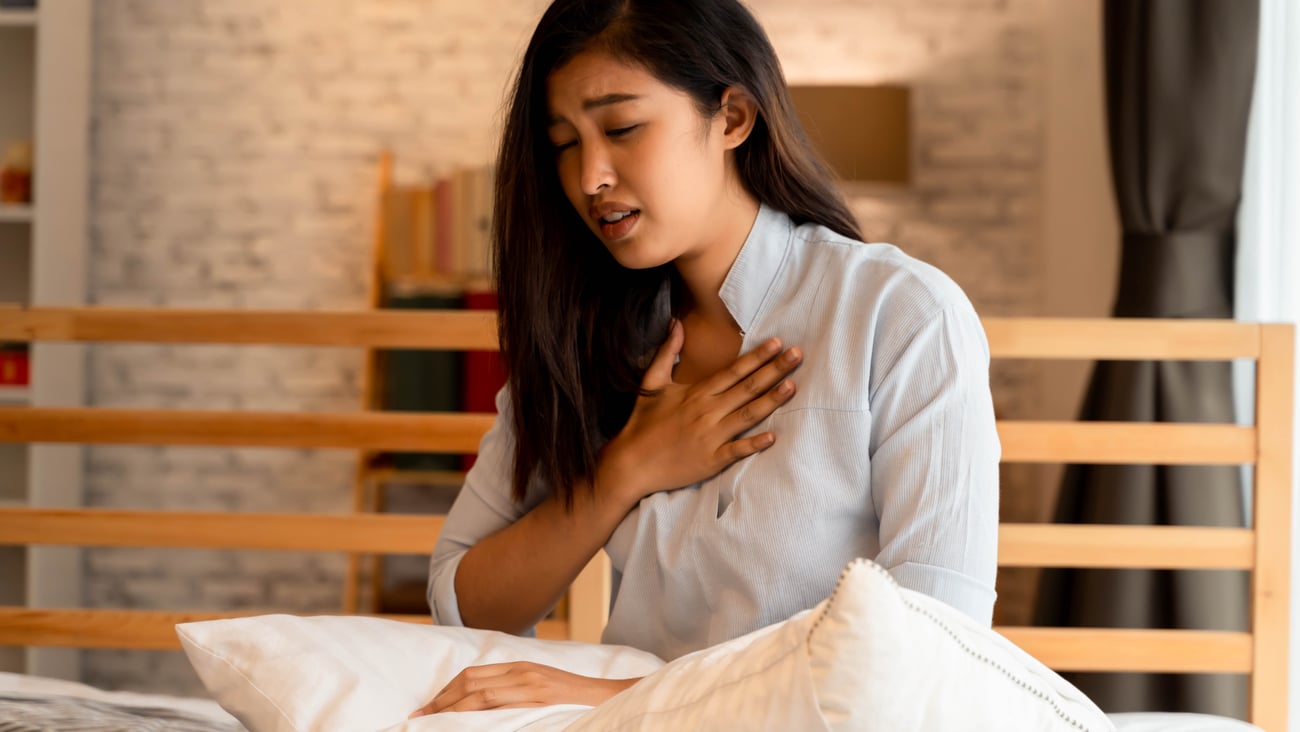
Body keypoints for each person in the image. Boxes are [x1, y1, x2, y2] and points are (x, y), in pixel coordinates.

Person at [410, 0, 999, 717]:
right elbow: (466, 605)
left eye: (622, 128)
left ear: (732, 118)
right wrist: (625, 472)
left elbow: (938, 649)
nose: (590, 175)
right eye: (564, 142)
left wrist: (625, 697)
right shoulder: (584, 337)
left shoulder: (901, 315)